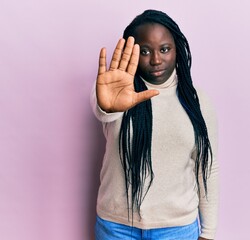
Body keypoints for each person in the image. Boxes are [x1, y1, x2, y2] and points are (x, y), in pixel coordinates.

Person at [91, 9, 219, 240]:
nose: (156, 60)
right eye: (145, 51)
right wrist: (108, 105)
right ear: (132, 53)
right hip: (116, 226)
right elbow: (104, 111)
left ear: (177, 49)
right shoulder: (115, 92)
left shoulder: (197, 101)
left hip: (177, 228)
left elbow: (207, 167)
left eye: (164, 49)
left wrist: (208, 232)